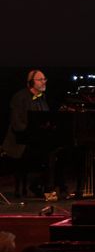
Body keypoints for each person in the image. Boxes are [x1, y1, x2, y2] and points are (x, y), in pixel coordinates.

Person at [2, 69, 55, 199]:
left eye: (44, 79)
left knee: (56, 153)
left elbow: (45, 120)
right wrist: (33, 135)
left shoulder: (42, 98)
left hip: (36, 141)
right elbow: (17, 124)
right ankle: (43, 188)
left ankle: (42, 186)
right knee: (47, 155)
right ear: (31, 82)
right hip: (19, 142)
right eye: (40, 79)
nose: (44, 82)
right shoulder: (19, 97)